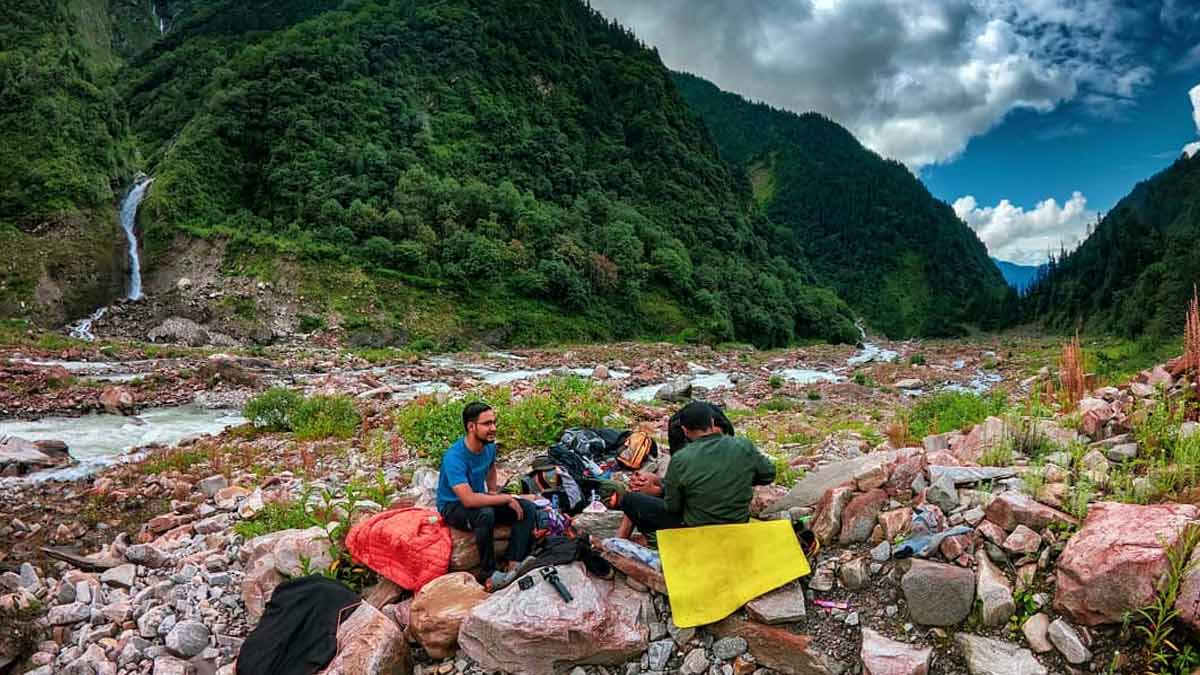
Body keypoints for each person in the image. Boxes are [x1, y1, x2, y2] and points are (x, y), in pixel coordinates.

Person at [616, 401, 776, 542]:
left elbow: (673, 507)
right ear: (712, 422)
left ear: (684, 430)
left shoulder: (681, 458)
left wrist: (660, 490)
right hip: (738, 523)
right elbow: (769, 474)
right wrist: (738, 477)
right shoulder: (743, 445)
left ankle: (643, 541)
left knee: (630, 500)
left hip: (698, 530)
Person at [437, 401, 537, 586]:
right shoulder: (454, 457)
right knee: (485, 514)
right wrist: (504, 497)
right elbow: (467, 500)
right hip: (453, 505)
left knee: (527, 508)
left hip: (478, 496)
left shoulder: (489, 446)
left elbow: (490, 468)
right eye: (487, 424)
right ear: (471, 426)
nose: (493, 428)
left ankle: (514, 562)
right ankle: (488, 573)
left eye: (494, 422)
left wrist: (492, 492)